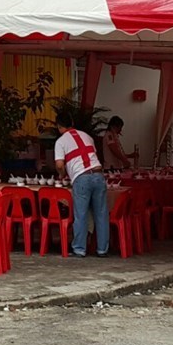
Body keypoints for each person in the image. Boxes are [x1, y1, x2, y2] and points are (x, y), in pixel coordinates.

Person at [53, 108, 109, 258]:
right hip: (98, 176)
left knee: (81, 215)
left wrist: (62, 174)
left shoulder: (60, 142)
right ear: (72, 123)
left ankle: (79, 248)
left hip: (81, 178)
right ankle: (102, 249)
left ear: (59, 126)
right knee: (101, 214)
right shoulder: (87, 136)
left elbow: (59, 165)